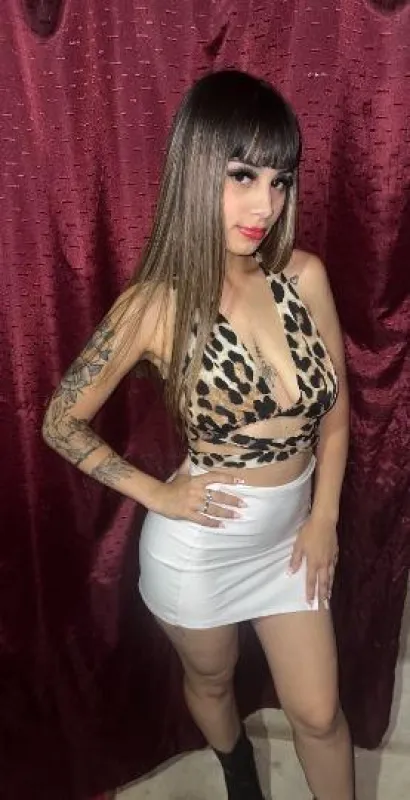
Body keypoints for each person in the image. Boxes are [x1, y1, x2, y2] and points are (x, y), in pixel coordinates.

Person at [42, 70, 354, 800]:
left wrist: (325, 519)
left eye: (279, 181)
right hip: (201, 555)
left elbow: (335, 418)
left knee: (319, 714)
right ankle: (238, 771)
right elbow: (60, 419)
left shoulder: (304, 277)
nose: (265, 205)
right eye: (242, 175)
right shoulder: (154, 305)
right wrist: (158, 495)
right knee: (212, 682)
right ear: (196, 168)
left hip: (291, 542)